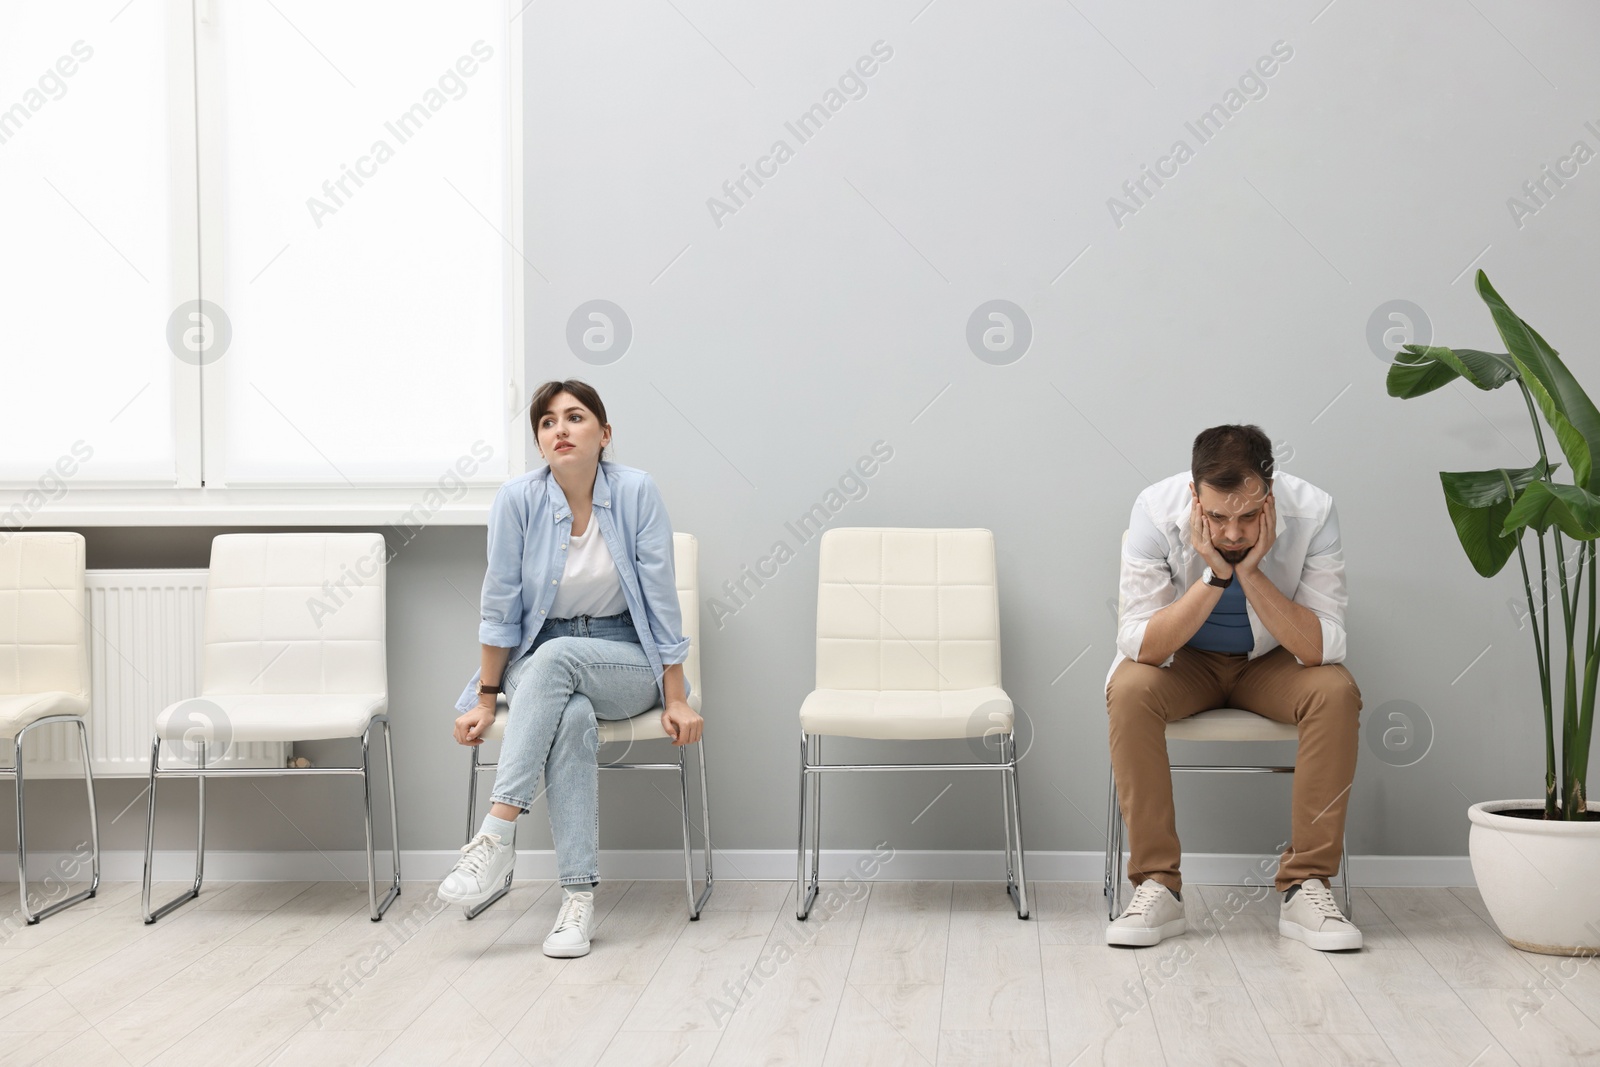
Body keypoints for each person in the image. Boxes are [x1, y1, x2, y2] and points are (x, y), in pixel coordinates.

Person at [438, 379, 701, 958]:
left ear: (604, 434)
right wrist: (485, 697)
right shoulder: (517, 500)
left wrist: (676, 695)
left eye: (575, 417)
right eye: (548, 422)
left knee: (562, 664)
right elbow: (499, 605)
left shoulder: (636, 492)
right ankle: (576, 903)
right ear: (540, 443)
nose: (560, 428)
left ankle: (497, 832)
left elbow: (660, 595)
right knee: (572, 713)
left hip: (624, 658)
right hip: (539, 652)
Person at [1105, 424, 1363, 951]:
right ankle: (1158, 885)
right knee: (1130, 689)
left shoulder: (1314, 511)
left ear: (1269, 493)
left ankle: (1306, 885)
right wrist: (1215, 578)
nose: (1232, 533)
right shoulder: (1154, 510)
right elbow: (1142, 643)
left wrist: (1251, 574)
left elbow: (1323, 646)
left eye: (1248, 516)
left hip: (1269, 664)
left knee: (1335, 692)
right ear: (1194, 495)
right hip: (1186, 664)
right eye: (1218, 517)